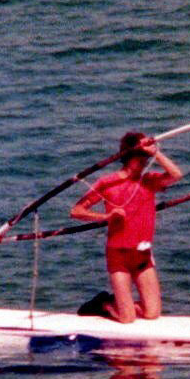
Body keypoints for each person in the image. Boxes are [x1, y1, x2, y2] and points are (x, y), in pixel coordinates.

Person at [71, 130, 183, 323]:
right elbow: (76, 211)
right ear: (128, 157)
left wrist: (156, 153)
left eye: (146, 158)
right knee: (127, 318)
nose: (144, 162)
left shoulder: (149, 181)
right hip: (118, 255)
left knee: (152, 313)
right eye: (140, 157)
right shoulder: (108, 183)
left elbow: (176, 174)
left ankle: (123, 304)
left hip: (142, 254)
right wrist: (106, 216)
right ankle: (105, 304)